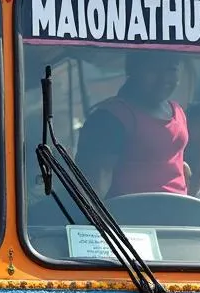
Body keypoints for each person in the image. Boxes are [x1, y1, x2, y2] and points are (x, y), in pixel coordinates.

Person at [75, 50, 187, 198]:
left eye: (171, 69)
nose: (164, 79)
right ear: (132, 70)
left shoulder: (178, 111)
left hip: (182, 216)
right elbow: (93, 184)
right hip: (128, 218)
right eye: (153, 69)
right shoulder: (109, 118)